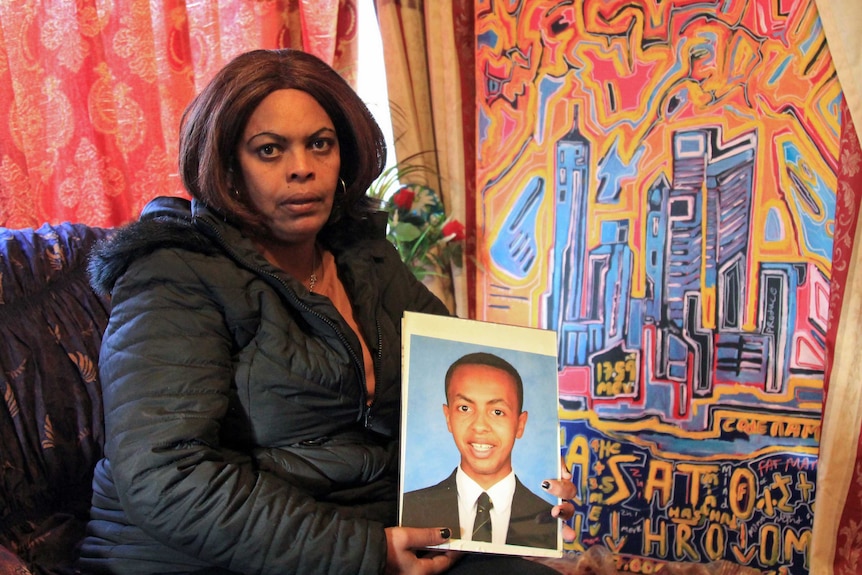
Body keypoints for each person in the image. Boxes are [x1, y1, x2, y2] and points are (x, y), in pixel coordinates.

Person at [77, 48, 573, 575]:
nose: (302, 169)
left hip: (366, 528)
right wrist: (369, 552)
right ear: (227, 167)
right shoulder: (173, 275)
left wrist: (526, 474)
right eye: (269, 150)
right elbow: (166, 476)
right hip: (201, 556)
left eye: (320, 144)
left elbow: (454, 381)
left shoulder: (366, 258)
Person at [401, 352, 558, 550]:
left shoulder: (550, 520)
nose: (480, 426)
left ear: (520, 424)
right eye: (465, 408)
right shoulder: (409, 509)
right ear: (448, 417)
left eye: (497, 412)